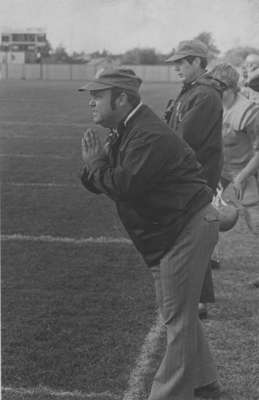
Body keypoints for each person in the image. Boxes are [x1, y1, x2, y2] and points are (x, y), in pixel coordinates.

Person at [79, 68, 222, 399]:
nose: (91, 102)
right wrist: (96, 166)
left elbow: (125, 185)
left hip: (186, 229)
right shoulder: (127, 128)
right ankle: (205, 384)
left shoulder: (146, 134)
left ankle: (169, 394)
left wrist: (98, 166)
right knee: (180, 316)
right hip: (177, 229)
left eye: (98, 96)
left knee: (178, 318)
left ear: (123, 98)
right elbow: (100, 176)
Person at [165, 40, 223, 318]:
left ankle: (198, 300)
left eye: (182, 62)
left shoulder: (204, 95)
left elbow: (184, 138)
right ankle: (197, 297)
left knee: (192, 237)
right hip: (188, 177)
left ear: (199, 62)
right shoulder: (193, 91)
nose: (176, 67)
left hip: (194, 179)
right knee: (188, 236)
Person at [210, 63, 259, 287]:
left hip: (243, 168)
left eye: (214, 86)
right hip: (219, 167)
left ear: (227, 87)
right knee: (204, 212)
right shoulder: (212, 105)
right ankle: (210, 255)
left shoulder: (249, 111)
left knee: (255, 220)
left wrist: (241, 177)